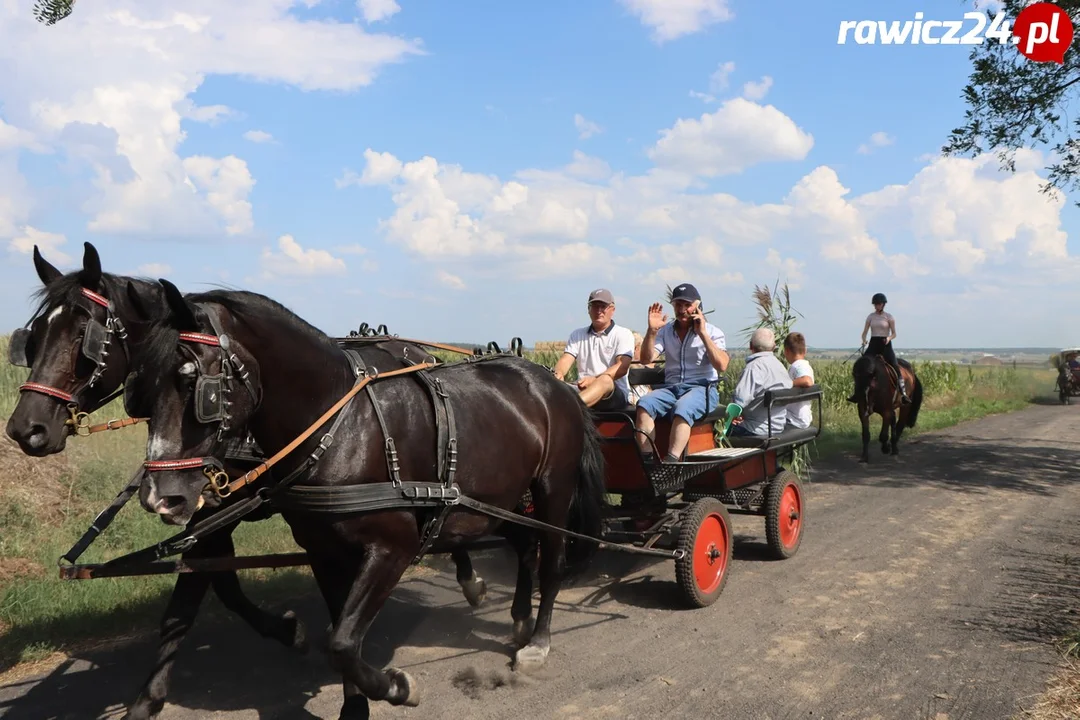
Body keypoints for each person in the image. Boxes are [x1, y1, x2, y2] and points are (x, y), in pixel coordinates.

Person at [635, 283, 729, 463]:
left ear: (697, 306)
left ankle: (672, 462)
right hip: (672, 388)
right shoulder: (665, 331)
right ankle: (648, 460)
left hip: (703, 389)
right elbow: (646, 359)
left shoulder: (712, 332)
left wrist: (702, 333)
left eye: (687, 305)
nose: (683, 309)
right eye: (678, 305)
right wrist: (652, 331)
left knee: (683, 407)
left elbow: (722, 365)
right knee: (644, 403)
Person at [552, 288, 635, 410]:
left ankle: (570, 409)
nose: (599, 311)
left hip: (613, 394)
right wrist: (557, 375)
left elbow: (622, 368)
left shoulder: (623, 334)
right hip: (582, 389)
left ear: (612, 310)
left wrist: (595, 380)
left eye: (603, 306)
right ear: (589, 310)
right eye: (595, 306)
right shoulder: (577, 334)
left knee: (605, 380)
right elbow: (565, 360)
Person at [728, 328, 792, 437]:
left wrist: (728, 418)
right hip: (778, 426)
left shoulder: (753, 368)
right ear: (773, 346)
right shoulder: (780, 366)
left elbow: (738, 403)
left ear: (751, 346)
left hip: (755, 429)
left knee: (712, 431)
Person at [848, 292, 910, 404]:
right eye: (875, 304)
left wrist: (889, 338)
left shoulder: (889, 317)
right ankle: (857, 393)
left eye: (879, 304)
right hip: (873, 343)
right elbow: (864, 332)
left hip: (885, 344)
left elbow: (894, 333)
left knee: (895, 365)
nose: (877, 306)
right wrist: (864, 339)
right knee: (862, 366)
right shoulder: (870, 317)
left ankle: (903, 394)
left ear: (883, 304)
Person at [783, 332, 815, 430]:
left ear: (786, 351)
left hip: (794, 419)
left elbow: (807, 381)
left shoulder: (798, 366)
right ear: (805, 351)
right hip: (802, 418)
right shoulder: (805, 365)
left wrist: (786, 384)